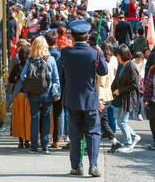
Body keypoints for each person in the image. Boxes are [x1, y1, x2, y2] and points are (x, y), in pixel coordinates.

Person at [61, 20, 108, 177]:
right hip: (90, 99)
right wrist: (99, 54)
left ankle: (76, 166)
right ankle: (93, 166)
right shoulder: (95, 53)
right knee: (93, 133)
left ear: (72, 37)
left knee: (75, 134)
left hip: (72, 99)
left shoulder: (66, 53)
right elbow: (103, 71)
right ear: (87, 37)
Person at [20, 36, 60, 153]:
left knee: (34, 118)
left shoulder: (30, 60)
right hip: (47, 92)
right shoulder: (51, 59)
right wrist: (57, 94)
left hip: (33, 92)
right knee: (46, 118)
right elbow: (56, 79)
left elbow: (23, 77)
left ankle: (34, 146)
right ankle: (45, 145)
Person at [111, 44, 141, 153]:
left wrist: (120, 90)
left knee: (122, 122)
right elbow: (116, 79)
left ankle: (128, 144)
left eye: (118, 55)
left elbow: (134, 85)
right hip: (121, 98)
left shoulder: (132, 67)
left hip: (128, 98)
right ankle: (134, 136)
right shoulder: (121, 65)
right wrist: (112, 89)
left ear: (123, 55)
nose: (117, 57)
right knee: (120, 121)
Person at [97, 42, 121, 153]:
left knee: (95, 121)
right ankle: (114, 142)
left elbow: (101, 82)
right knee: (103, 121)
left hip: (102, 94)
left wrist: (99, 100)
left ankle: (90, 145)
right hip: (110, 91)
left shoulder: (101, 61)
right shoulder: (115, 60)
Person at [8, 45, 31, 148]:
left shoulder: (17, 66)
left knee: (19, 117)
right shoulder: (31, 66)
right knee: (27, 117)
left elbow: (11, 80)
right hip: (29, 95)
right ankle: (27, 140)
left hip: (17, 96)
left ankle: (20, 141)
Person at [45, 31, 64, 148]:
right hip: (59, 87)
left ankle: (45, 139)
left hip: (45, 87)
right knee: (58, 114)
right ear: (56, 41)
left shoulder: (43, 56)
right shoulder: (60, 55)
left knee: (45, 114)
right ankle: (56, 140)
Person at [132, 52, 147, 121]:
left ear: (142, 59)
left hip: (142, 82)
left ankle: (139, 113)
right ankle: (132, 111)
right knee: (134, 97)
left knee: (140, 98)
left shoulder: (145, 63)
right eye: (136, 60)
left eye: (139, 60)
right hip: (134, 82)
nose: (138, 61)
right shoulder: (132, 63)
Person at [143, 64, 155, 150]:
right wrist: (145, 99)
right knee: (152, 119)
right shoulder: (152, 71)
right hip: (153, 100)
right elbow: (147, 87)